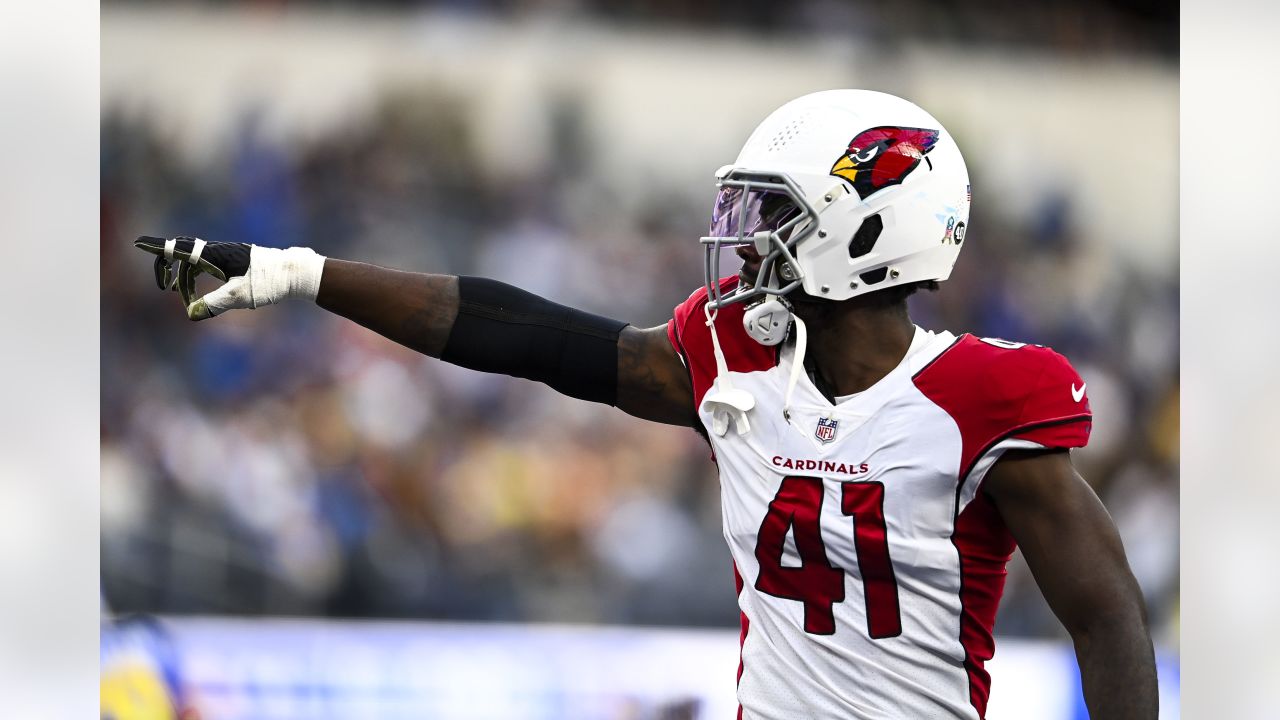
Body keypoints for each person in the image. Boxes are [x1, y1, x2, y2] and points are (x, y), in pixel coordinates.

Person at [133, 89, 1156, 719]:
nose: (743, 238)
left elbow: (1105, 613)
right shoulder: (733, 360)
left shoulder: (981, 397)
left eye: (774, 215)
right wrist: (304, 272)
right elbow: (522, 335)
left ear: (864, 228)